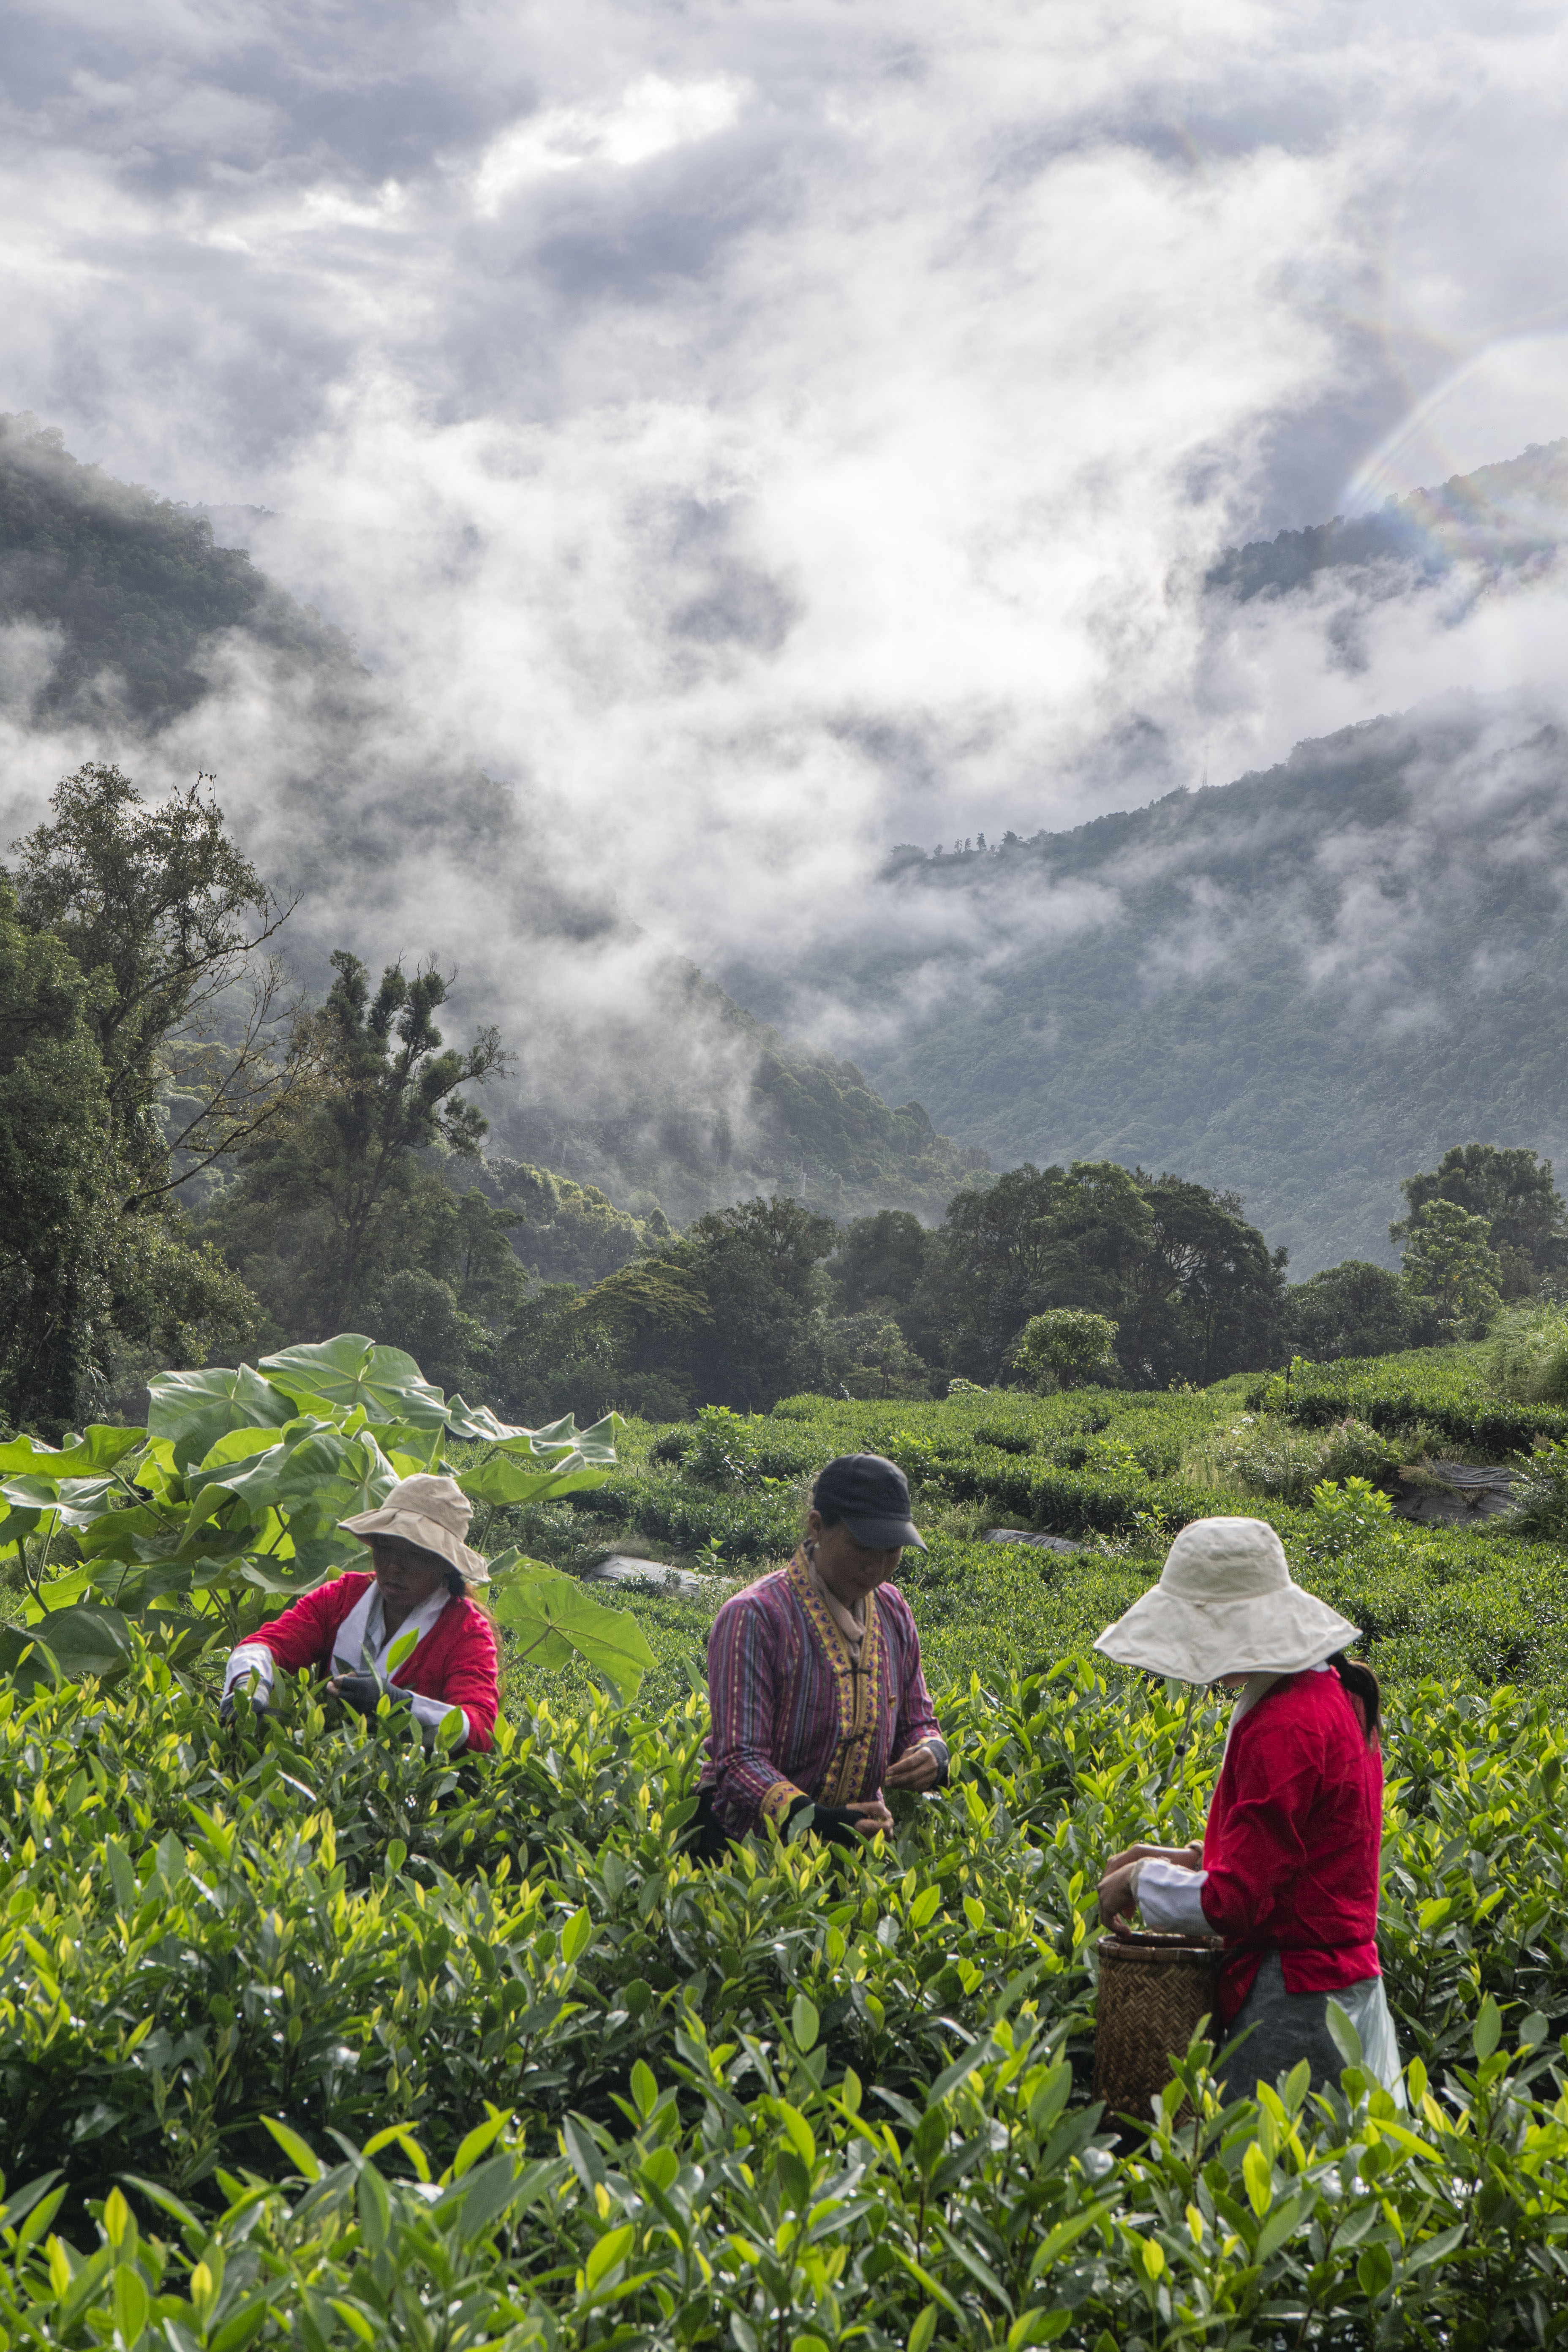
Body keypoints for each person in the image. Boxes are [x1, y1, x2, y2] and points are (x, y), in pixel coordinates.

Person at [1092, 1515, 1402, 2099]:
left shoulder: (1285, 1725)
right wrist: (1184, 1858)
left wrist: (1141, 1880)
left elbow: (1236, 1901)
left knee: (1271, 2171)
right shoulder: (1328, 1690)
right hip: (1335, 1984)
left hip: (1298, 2000)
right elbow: (1294, 1856)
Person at [695, 1453, 949, 1855]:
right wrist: (816, 1819)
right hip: (744, 1854)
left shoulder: (893, 1609)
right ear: (817, 1527)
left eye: (893, 1551)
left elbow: (917, 1720)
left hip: (853, 1850)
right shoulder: (754, 1617)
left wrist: (932, 1752)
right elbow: (738, 1761)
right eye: (864, 1547)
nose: (877, 1567)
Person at [218, 1473, 501, 1753]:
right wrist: (247, 1686)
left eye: (415, 1554)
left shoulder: (466, 1632)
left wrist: (398, 1704)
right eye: (386, 1547)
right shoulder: (342, 1597)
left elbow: (480, 1729)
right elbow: (268, 1644)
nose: (394, 1567)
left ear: (446, 1564)